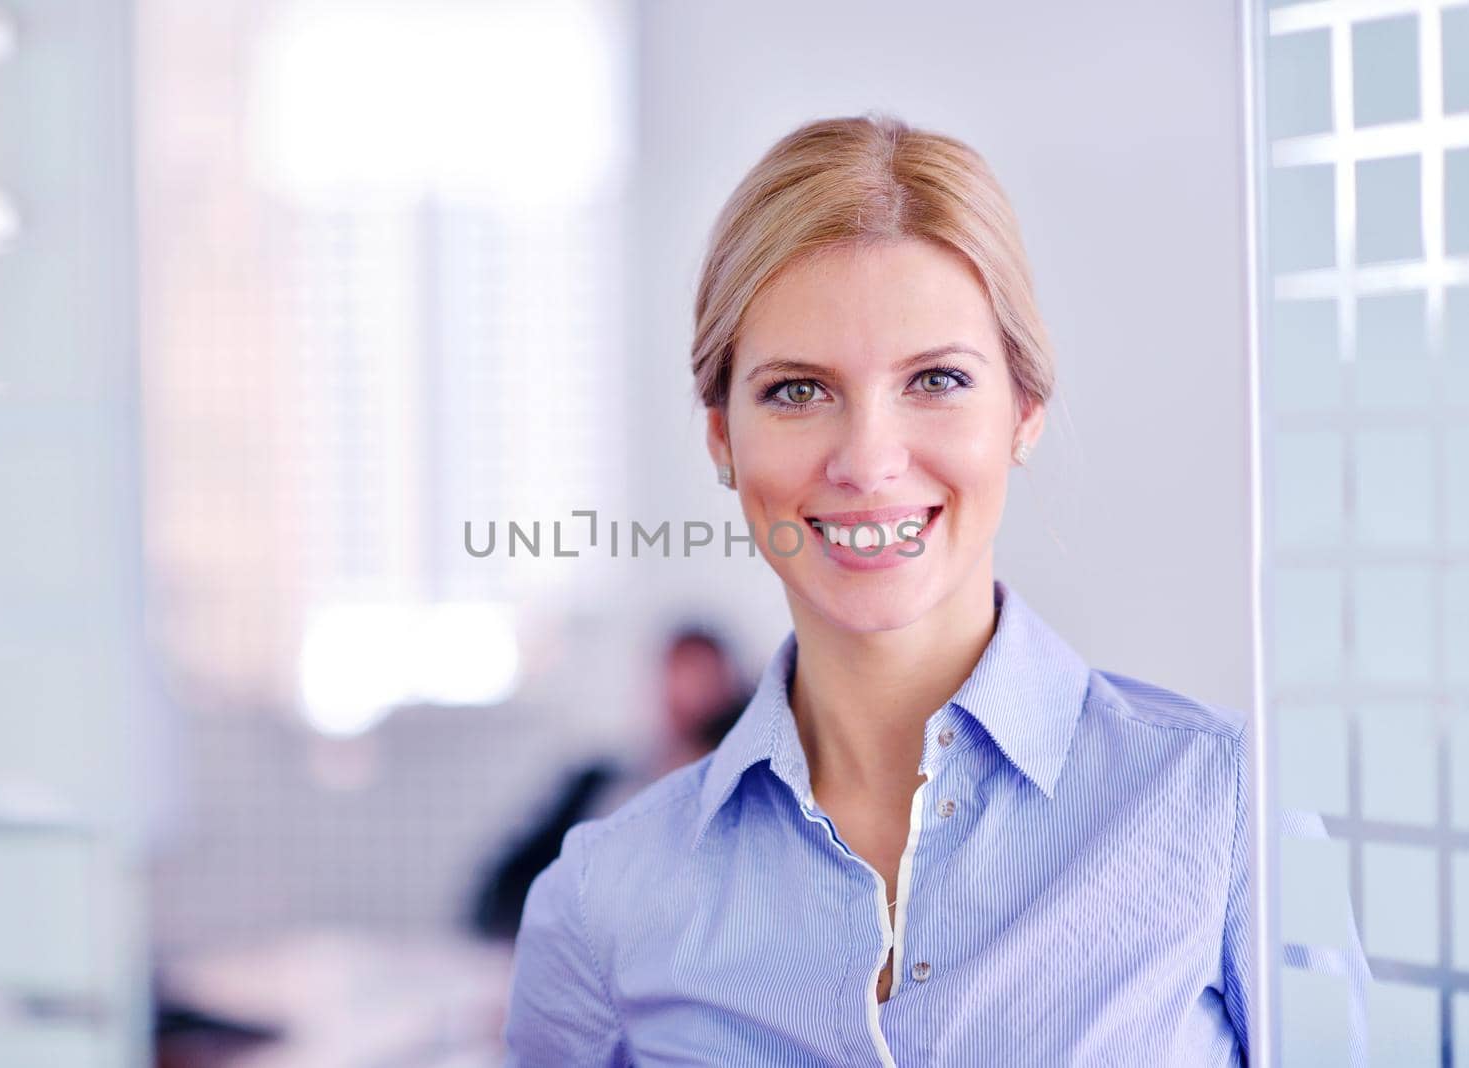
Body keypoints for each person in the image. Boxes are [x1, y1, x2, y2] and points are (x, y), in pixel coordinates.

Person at [503, 113, 1348, 1065]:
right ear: (720, 440)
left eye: (937, 379)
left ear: (1024, 413)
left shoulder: (1228, 810)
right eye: (796, 390)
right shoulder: (600, 904)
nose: (868, 461)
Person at [470, 624, 749, 940]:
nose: (686, 699)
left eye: (701, 685)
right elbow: (501, 892)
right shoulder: (599, 783)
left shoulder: (742, 798)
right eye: (676, 681)